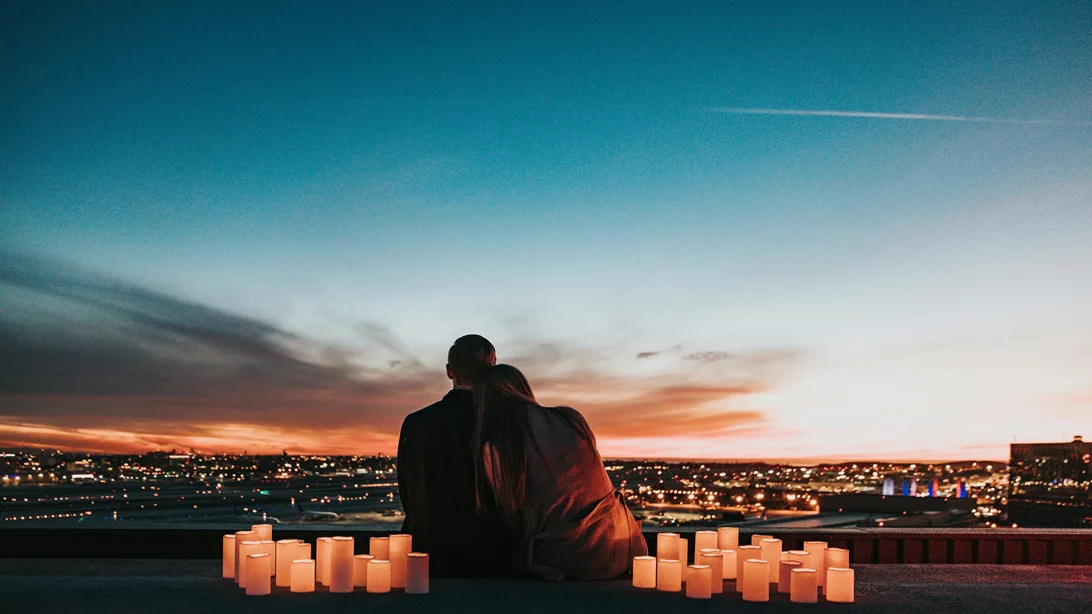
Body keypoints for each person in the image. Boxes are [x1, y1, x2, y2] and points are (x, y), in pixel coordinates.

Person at [472, 364, 647, 580]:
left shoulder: (498, 448)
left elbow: (512, 520)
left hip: (569, 559)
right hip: (625, 544)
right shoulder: (570, 418)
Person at [397, 334, 513, 577]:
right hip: (491, 557)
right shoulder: (505, 423)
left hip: (427, 555)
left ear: (450, 371)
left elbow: (409, 496)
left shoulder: (415, 423)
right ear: (492, 370)